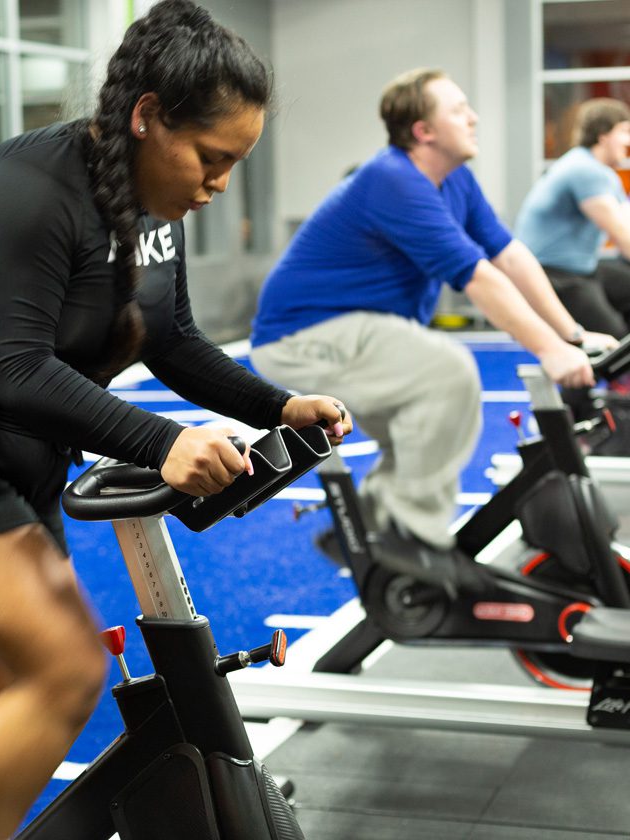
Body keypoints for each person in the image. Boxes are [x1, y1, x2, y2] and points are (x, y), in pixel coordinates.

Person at [0, 4, 350, 840]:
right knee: (65, 672)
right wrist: (165, 440)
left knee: (14, 681)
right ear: (147, 116)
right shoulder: (27, 192)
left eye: (234, 165)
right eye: (210, 158)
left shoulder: (150, 209)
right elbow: (17, 370)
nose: (218, 185)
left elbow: (172, 339)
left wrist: (275, 405)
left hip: (17, 464)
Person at [250, 67, 614, 570]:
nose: (475, 117)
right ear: (424, 131)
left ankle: (365, 532)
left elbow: (510, 256)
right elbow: (480, 279)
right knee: (448, 376)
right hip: (305, 336)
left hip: (353, 332)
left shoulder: (454, 180)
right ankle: (409, 539)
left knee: (424, 427)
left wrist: (571, 334)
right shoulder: (393, 179)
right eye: (459, 109)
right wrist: (550, 351)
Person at [515, 97, 630, 342]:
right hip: (553, 276)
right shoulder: (584, 170)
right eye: (624, 132)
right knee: (616, 341)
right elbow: (621, 234)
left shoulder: (602, 173)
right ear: (603, 135)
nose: (628, 141)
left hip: (582, 269)